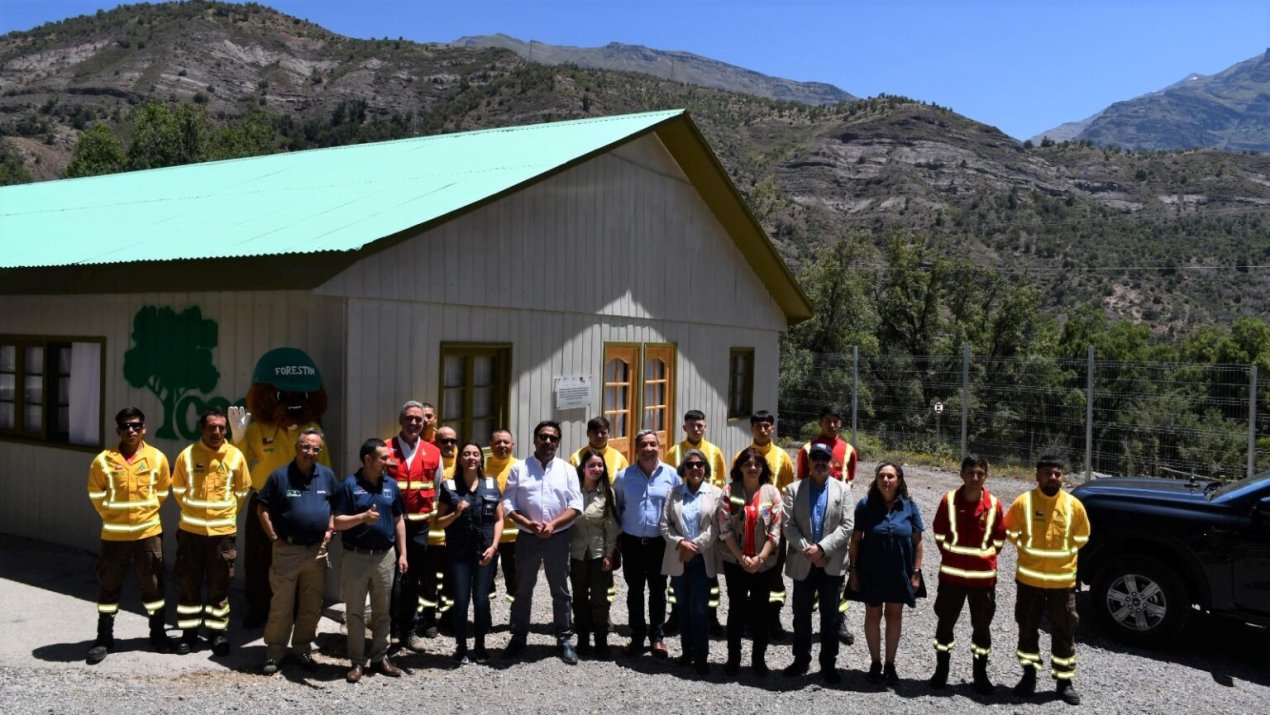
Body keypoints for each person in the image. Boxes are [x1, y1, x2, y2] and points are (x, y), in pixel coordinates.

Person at [230, 372, 333, 630]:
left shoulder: (313, 431)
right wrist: (237, 438)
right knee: (258, 559)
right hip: (264, 502)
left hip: (300, 503)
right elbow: (238, 463)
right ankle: (258, 608)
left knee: (299, 559)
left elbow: (325, 470)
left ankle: (297, 611)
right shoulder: (258, 429)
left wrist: (326, 510)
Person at [85, 407, 176, 664]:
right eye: (126, 426)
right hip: (114, 536)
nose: (131, 430)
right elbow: (95, 493)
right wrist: (113, 515)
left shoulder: (156, 458)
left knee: (154, 584)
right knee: (109, 585)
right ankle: (104, 638)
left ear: (144, 428)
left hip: (147, 533)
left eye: (136, 425)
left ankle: (157, 634)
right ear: (118, 431)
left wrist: (143, 516)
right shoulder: (104, 460)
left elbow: (161, 493)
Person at [1004, 456, 1090, 706]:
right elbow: (1009, 530)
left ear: (1063, 477)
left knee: (1064, 632)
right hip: (1029, 581)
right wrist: (1025, 547)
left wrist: (1064, 556)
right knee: (1027, 630)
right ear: (1037, 476)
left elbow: (1083, 535)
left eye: (1057, 474)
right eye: (1047, 473)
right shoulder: (1024, 502)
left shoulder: (1073, 505)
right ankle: (1028, 676)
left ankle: (1064, 682)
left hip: (1062, 584)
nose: (1053, 477)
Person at [171, 407, 251, 657]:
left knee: (219, 587)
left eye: (221, 427)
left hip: (222, 534)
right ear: (202, 429)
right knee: (188, 584)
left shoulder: (236, 456)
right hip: (190, 533)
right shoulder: (187, 455)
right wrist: (197, 516)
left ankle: (217, 634)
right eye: (211, 427)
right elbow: (179, 491)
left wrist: (223, 516)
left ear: (225, 429)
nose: (216, 431)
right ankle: (189, 634)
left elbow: (242, 492)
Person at [502, 421, 583, 664]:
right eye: (543, 436)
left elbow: (576, 505)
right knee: (522, 589)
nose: (548, 441)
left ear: (558, 442)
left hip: (557, 538)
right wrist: (528, 524)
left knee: (560, 589)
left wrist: (553, 525)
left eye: (553, 438)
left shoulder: (567, 470)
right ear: (535, 439)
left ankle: (564, 638)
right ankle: (518, 637)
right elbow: (508, 503)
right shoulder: (519, 468)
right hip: (528, 537)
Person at [258, 429, 338, 676]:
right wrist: (273, 537)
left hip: (317, 550)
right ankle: (274, 651)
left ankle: (302, 647)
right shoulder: (280, 476)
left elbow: (335, 505)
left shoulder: (326, 475)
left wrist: (331, 525)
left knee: (312, 604)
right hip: (287, 550)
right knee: (282, 603)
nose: (310, 452)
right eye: (305, 447)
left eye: (315, 448)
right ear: (296, 447)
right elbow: (262, 509)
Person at [929, 454, 1006, 694]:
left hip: (982, 581)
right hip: (951, 578)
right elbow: (939, 533)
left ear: (986, 476)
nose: (975, 478)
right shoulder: (948, 500)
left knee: (982, 628)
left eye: (980, 474)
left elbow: (1000, 538)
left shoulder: (994, 504)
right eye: (970, 473)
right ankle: (941, 671)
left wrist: (982, 560)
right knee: (945, 625)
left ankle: (980, 674)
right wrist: (952, 556)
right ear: (961, 474)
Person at [333, 438, 407, 683]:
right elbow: (337, 522)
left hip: (386, 557)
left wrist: (403, 553)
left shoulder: (391, 485)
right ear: (368, 459)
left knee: (382, 611)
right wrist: (362, 517)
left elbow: (398, 520)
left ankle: (380, 657)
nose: (389, 462)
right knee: (354, 612)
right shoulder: (349, 485)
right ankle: (356, 661)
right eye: (383, 458)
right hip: (356, 557)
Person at [781, 443, 854, 683]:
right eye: (816, 458)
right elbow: (788, 525)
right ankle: (800, 660)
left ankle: (828, 664)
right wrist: (808, 550)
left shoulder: (843, 490)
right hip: (803, 562)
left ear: (832, 462)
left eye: (825, 458)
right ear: (809, 462)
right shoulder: (793, 489)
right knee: (801, 615)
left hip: (831, 562)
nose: (820, 462)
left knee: (830, 616)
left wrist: (823, 548)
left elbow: (847, 525)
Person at [848, 462, 925, 687]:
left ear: (899, 480)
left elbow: (918, 544)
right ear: (876, 479)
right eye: (882, 476)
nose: (886, 480)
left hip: (900, 570)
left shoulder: (910, 506)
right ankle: (875, 662)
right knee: (872, 614)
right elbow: (855, 541)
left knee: (894, 615)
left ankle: (890, 664)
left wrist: (916, 572)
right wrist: (853, 570)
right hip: (871, 569)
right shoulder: (865, 504)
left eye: (891, 476)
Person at [614, 429, 681, 658]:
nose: (649, 449)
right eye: (644, 444)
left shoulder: (671, 476)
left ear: (659, 447)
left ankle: (657, 638)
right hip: (632, 542)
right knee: (634, 591)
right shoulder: (624, 477)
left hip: (659, 543)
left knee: (658, 591)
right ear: (637, 448)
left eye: (653, 444)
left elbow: (677, 509)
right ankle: (636, 636)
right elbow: (618, 507)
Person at [435, 442, 504, 665]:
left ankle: (481, 646)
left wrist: (494, 547)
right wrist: (455, 513)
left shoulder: (491, 484)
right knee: (462, 599)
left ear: (480, 459)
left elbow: (499, 519)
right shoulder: (449, 486)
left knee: (481, 600)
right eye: (466, 454)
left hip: (485, 551)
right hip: (459, 553)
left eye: (475, 454)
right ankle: (461, 646)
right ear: (460, 459)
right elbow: (440, 521)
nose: (471, 457)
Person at [717, 447, 783, 677]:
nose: (752, 468)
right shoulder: (729, 491)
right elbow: (724, 529)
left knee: (760, 612)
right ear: (740, 468)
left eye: (757, 464)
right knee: (735, 610)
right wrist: (741, 557)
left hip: (763, 564)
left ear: (763, 468)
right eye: (748, 464)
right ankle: (733, 659)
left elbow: (775, 531)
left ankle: (758, 661)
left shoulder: (772, 493)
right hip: (736, 562)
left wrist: (760, 558)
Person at [796, 407, 859, 645]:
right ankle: (807, 624)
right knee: (810, 575)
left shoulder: (849, 450)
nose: (831, 425)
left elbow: (850, 480)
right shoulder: (806, 448)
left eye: (835, 421)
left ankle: (838, 620)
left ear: (840, 424)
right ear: (820, 423)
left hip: (836, 513)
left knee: (836, 574)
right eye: (827, 421)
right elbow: (802, 479)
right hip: (812, 513)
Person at [385, 401, 445, 651]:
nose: (414, 423)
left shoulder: (433, 452)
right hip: (388, 525)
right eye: (409, 418)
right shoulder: (385, 449)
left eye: (419, 419)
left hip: (419, 526)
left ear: (426, 422)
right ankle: (388, 631)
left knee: (412, 580)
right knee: (387, 580)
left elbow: (437, 487)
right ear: (401, 420)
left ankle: (409, 632)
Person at [663, 410, 727, 636]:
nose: (696, 429)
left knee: (710, 578)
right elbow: (670, 483)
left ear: (705, 427)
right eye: (692, 426)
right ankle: (676, 615)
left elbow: (721, 483)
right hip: (682, 521)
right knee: (677, 578)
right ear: (685, 428)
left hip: (706, 522)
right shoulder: (674, 451)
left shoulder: (715, 452)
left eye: (700, 425)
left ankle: (711, 617)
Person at [658, 449, 722, 675]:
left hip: (702, 559)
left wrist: (693, 547)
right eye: (690, 465)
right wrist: (680, 544)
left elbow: (716, 527)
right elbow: (664, 525)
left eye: (700, 465)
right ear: (683, 469)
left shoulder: (716, 493)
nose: (695, 469)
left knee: (700, 610)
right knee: (682, 608)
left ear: (706, 468)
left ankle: (702, 657)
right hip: (678, 558)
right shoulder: (673, 493)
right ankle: (687, 653)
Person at [735, 409, 795, 641]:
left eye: (766, 426)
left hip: (773, 528)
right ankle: (747, 619)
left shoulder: (782, 457)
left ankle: (773, 617)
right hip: (746, 527)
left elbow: (788, 493)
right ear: (751, 429)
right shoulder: (742, 455)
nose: (762, 430)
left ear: (772, 428)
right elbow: (736, 492)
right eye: (758, 426)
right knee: (746, 574)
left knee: (773, 576)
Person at [569, 449, 619, 659]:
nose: (596, 469)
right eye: (592, 465)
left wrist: (609, 554)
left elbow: (611, 527)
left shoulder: (607, 493)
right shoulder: (572, 491)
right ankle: (582, 640)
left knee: (599, 599)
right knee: (579, 598)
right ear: (583, 468)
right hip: (577, 554)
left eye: (600, 465)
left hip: (599, 554)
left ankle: (601, 641)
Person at [421, 425, 460, 635]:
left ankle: (447, 617)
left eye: (453, 441)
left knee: (451, 581)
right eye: (444, 441)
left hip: (453, 537)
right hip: (431, 537)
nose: (449, 445)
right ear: (435, 443)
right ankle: (428, 620)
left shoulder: (462, 466)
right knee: (428, 582)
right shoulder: (429, 464)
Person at [485, 429, 521, 607]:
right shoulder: (482, 467)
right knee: (486, 578)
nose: (502, 446)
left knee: (515, 577)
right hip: (488, 533)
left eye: (506, 442)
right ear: (490, 445)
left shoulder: (521, 468)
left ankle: (516, 617)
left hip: (514, 534)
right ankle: (486, 616)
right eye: (497, 442)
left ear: (512, 445)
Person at [568, 416, 629, 481]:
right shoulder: (575, 458)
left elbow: (627, 483)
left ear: (609, 434)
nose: (599, 436)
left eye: (603, 433)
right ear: (588, 433)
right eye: (595, 432)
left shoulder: (619, 458)